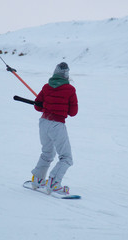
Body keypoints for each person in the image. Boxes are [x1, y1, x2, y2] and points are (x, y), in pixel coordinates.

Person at [31, 62, 78, 195]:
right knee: (66, 157)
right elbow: (73, 112)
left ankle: (38, 180)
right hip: (57, 124)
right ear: (67, 75)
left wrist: (48, 103)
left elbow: (37, 106)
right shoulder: (70, 90)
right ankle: (54, 182)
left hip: (44, 122)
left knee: (47, 153)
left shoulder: (46, 87)